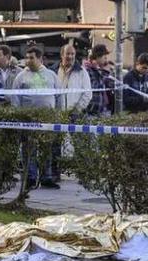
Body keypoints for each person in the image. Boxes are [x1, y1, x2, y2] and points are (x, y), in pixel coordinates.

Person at [10, 47, 62, 190]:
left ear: (40, 59)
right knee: (28, 150)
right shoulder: (21, 77)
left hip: (48, 119)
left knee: (47, 149)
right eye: (26, 58)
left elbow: (60, 96)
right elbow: (15, 98)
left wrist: (58, 115)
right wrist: (19, 116)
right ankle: (30, 178)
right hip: (28, 119)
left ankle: (46, 177)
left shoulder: (51, 75)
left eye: (31, 58)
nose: (28, 61)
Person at [53, 44, 92, 114]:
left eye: (72, 54)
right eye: (67, 54)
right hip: (56, 115)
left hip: (75, 116)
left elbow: (88, 94)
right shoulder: (53, 71)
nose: (70, 56)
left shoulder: (82, 72)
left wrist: (76, 110)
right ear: (62, 55)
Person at [84, 44, 115, 116]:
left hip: (103, 110)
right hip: (91, 111)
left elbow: (110, 87)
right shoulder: (88, 70)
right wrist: (105, 72)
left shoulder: (100, 70)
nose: (106, 59)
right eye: (105, 56)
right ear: (98, 56)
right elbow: (95, 87)